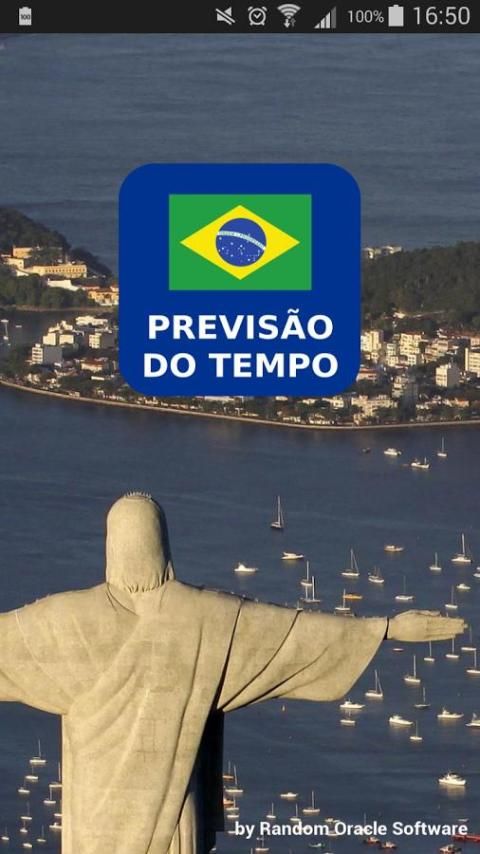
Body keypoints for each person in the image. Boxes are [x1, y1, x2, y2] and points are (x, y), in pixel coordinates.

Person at [0, 493, 465, 854]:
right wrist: (385, 628)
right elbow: (293, 635)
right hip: (172, 816)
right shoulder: (207, 618)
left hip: (92, 824)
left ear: (110, 545)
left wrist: (385, 629)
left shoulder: (60, 620)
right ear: (162, 545)